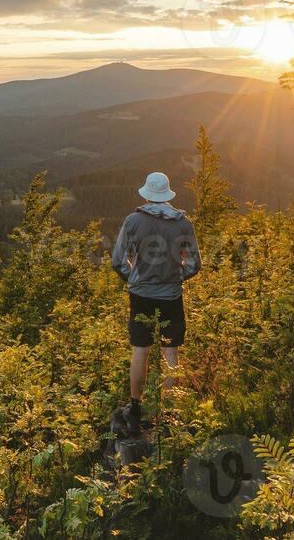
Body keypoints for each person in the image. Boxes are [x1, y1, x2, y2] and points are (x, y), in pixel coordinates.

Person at [110, 171, 200, 437]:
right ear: (167, 194)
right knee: (171, 352)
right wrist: (175, 276)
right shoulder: (184, 224)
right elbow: (194, 264)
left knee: (140, 350)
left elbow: (117, 261)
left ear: (148, 194)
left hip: (141, 296)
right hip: (172, 295)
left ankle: (136, 406)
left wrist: (135, 278)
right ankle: (170, 412)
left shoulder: (133, 220)